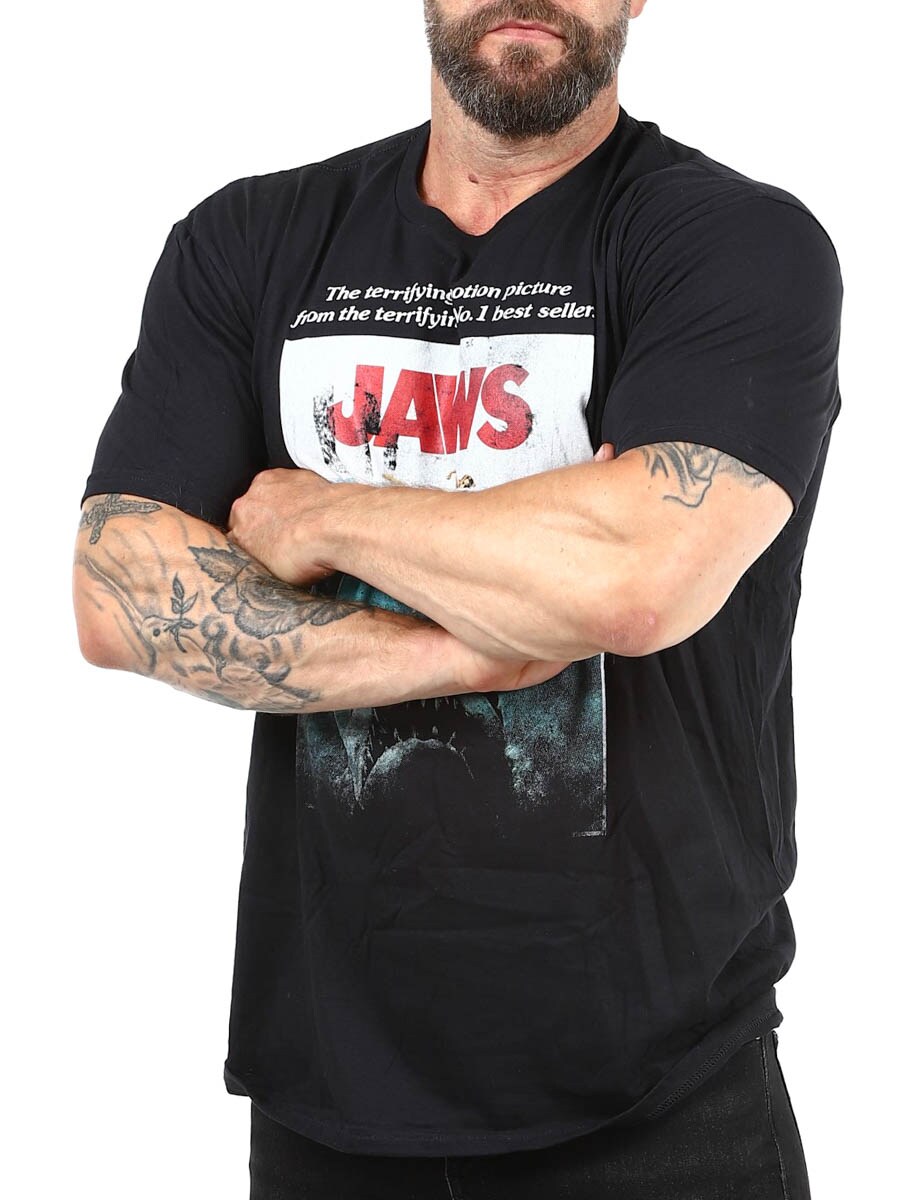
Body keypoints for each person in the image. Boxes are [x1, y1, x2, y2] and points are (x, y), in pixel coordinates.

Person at [72, 1, 842, 1196]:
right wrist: (475, 649)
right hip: (329, 1089)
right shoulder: (252, 239)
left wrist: (319, 518)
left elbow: (636, 579)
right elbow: (119, 596)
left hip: (662, 1094)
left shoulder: (733, 241)